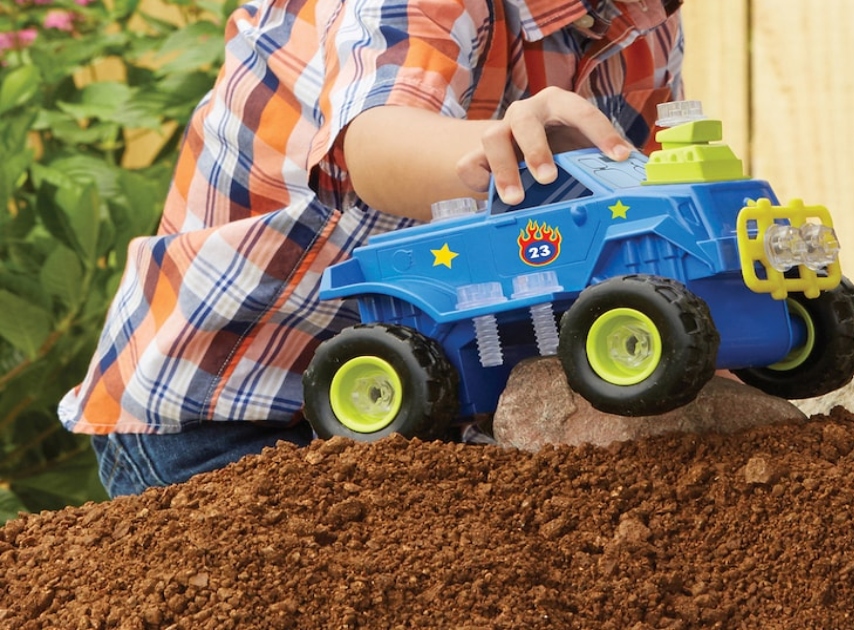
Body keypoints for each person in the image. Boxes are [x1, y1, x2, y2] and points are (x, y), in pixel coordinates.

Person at [58, 0, 685, 498]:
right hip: (225, 403)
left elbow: (630, 209)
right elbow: (377, 146)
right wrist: (515, 148)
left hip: (424, 399)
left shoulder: (645, 22)